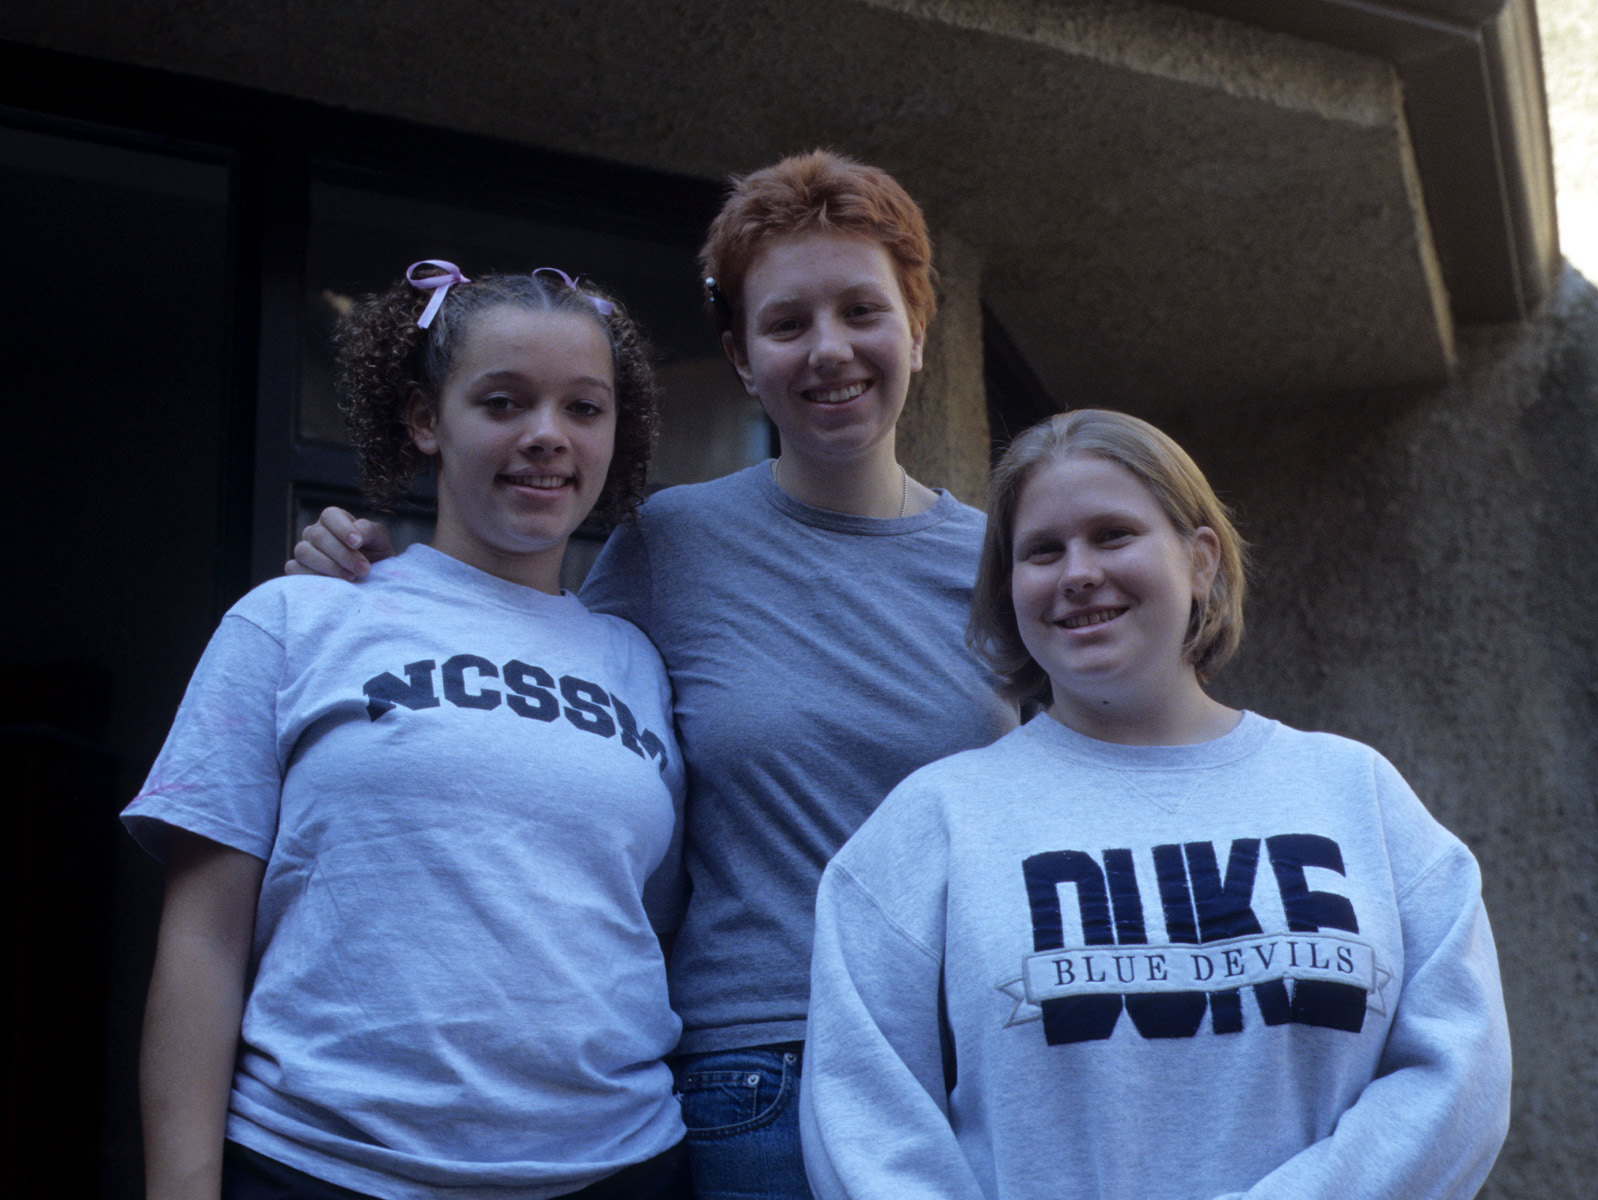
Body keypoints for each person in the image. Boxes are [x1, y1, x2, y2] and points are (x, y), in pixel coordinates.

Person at [285, 152, 1020, 1199]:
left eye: (862, 310)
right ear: (741, 358)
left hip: (975, 1057)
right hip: (762, 1074)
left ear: (918, 329)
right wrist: (359, 586)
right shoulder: (668, 545)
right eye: (787, 322)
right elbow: (518, 688)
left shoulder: (1005, 564)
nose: (829, 349)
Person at [800, 409, 1512, 1199]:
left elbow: (1459, 1076)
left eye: (1113, 535)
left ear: (1201, 561)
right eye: (1042, 550)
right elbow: (862, 1120)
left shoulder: (1357, 794)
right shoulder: (932, 823)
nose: (1077, 573)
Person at [127, 263, 690, 1200]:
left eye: (583, 408)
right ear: (427, 419)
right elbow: (203, 943)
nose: (546, 435)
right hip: (323, 1166)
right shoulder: (295, 619)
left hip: (618, 1169)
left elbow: (647, 927)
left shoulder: (639, 662)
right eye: (503, 402)